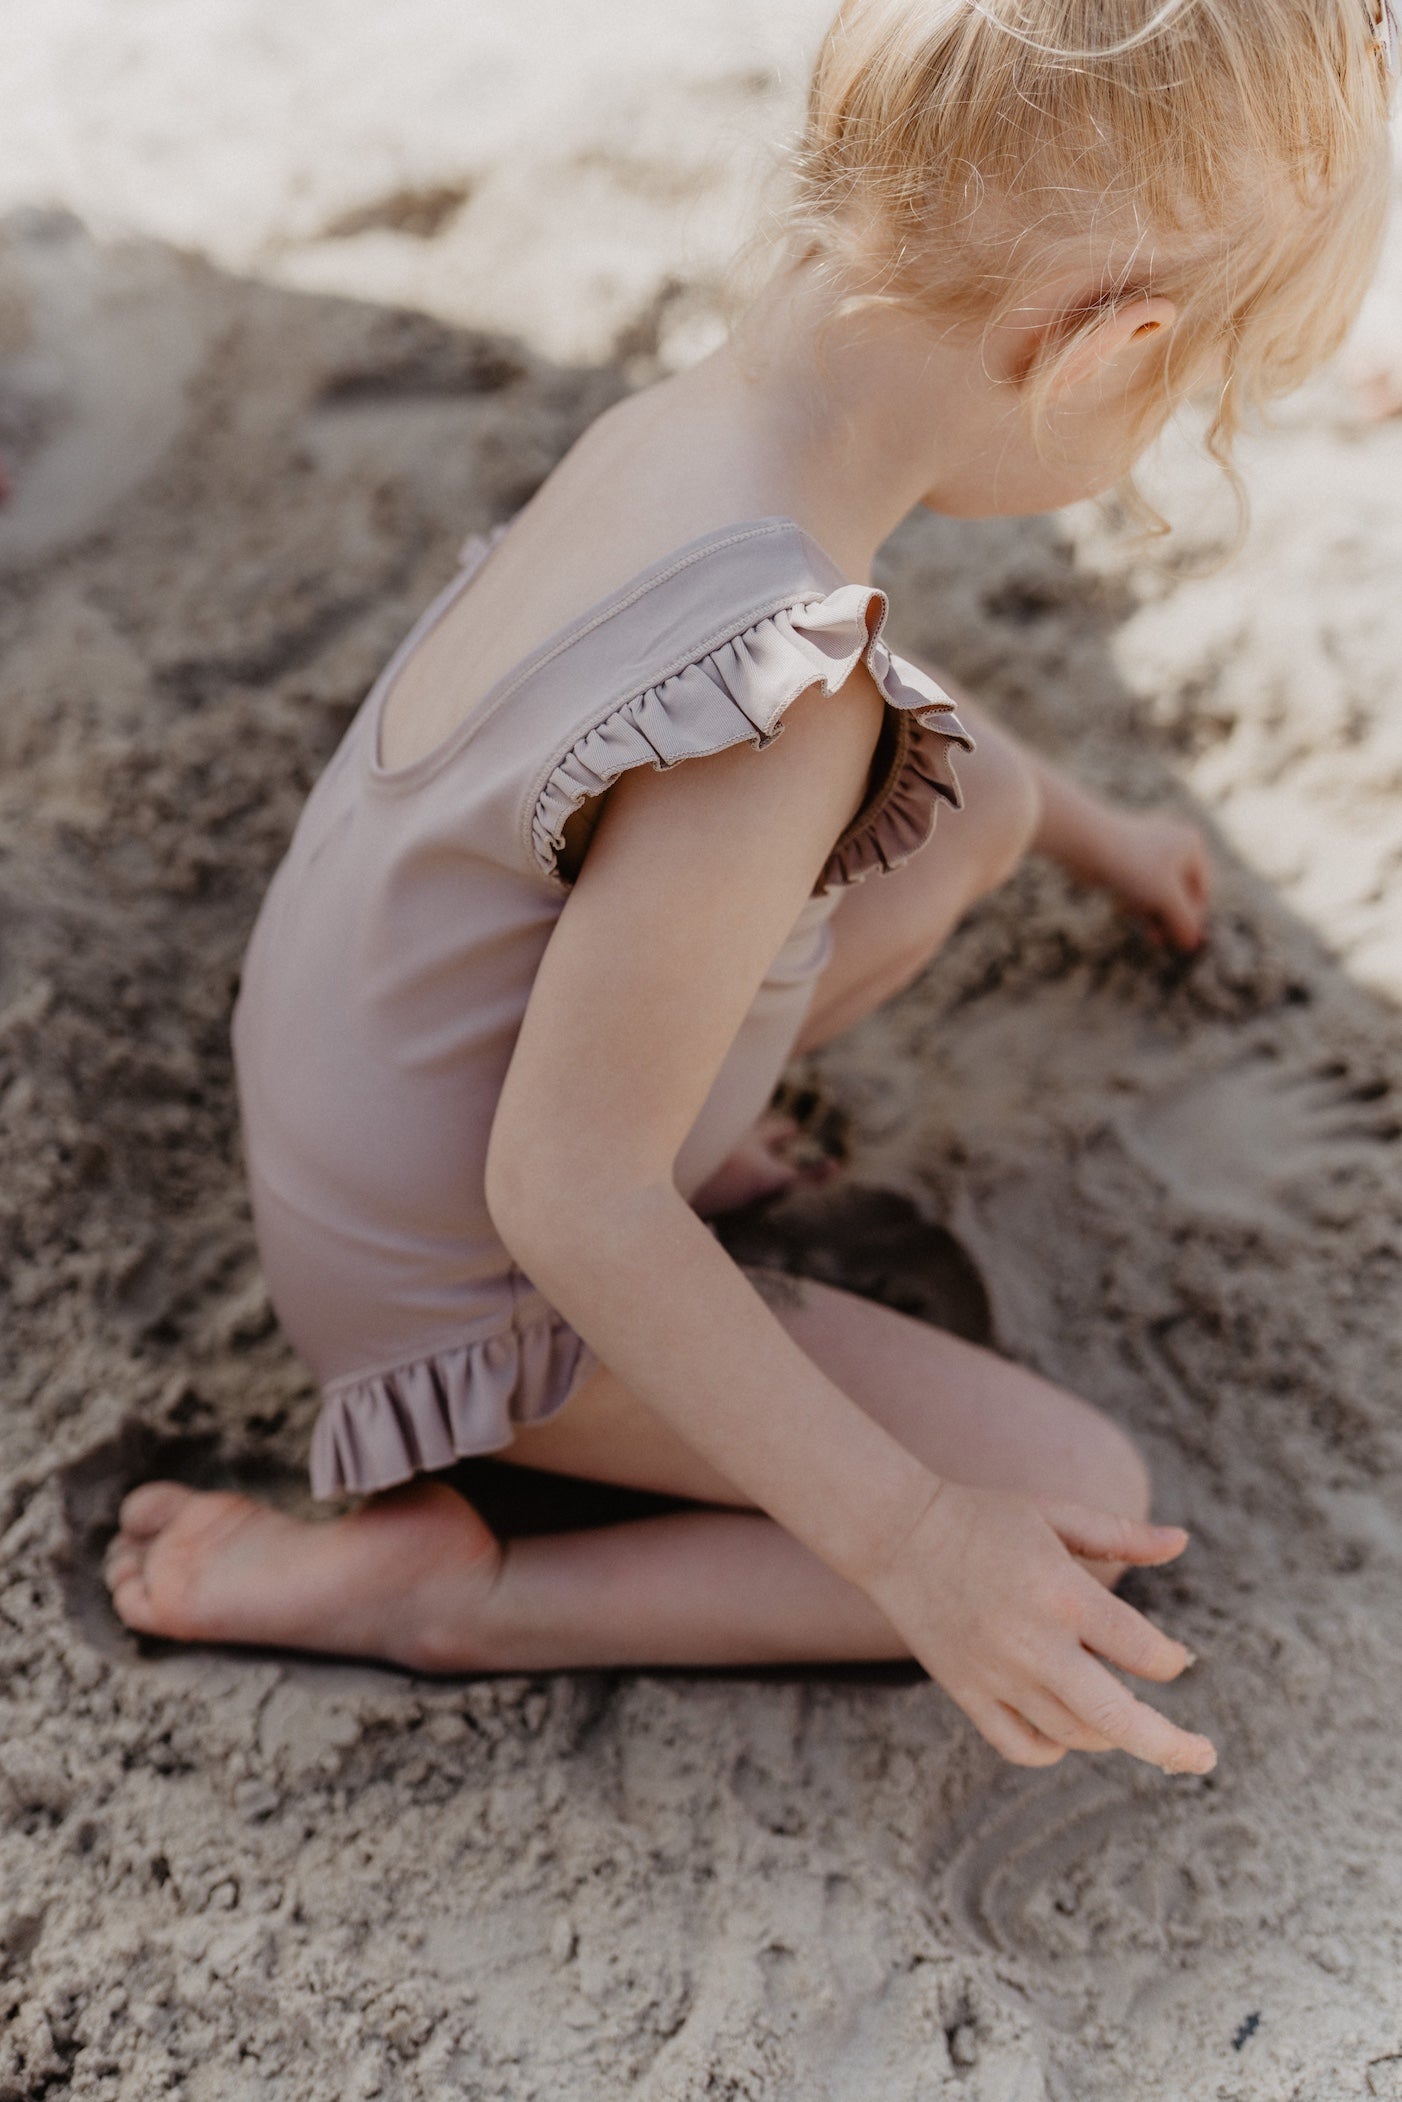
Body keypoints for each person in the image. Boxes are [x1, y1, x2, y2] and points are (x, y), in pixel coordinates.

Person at [104, 0, 1394, 1773]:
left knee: (981, 793)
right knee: (1075, 1507)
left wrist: (1081, 823)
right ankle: (445, 1590)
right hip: (457, 1286)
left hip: (362, 1080)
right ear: (1108, 354)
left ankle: (701, 1155)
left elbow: (766, 714)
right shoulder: (786, 719)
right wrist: (916, 1542)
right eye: (1188, 412)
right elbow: (566, 1192)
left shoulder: (707, 419)